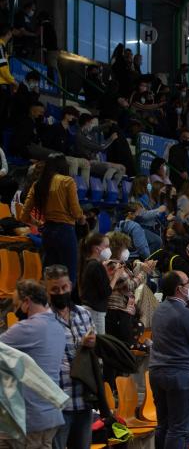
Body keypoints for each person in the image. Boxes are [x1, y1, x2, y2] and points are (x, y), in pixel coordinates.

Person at [149, 271, 189, 449]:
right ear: (179, 289)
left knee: (163, 425)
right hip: (180, 375)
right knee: (179, 429)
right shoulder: (185, 313)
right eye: (188, 282)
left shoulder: (159, 309)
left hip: (157, 372)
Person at [0, 279, 66, 448]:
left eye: (16, 304)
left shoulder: (26, 328)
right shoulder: (58, 328)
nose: (14, 310)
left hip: (30, 418)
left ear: (27, 302)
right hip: (51, 415)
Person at [44, 264, 96, 449]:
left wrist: (92, 344)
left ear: (71, 285)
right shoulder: (43, 319)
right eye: (55, 289)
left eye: (64, 288)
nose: (60, 292)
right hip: (58, 403)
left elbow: (95, 354)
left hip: (84, 397)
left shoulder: (83, 314)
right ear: (47, 290)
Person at [20, 153, 85, 285]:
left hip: (47, 231)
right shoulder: (68, 181)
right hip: (65, 231)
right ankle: (64, 304)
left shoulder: (38, 184)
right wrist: (82, 219)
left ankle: (47, 304)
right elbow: (76, 212)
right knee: (69, 277)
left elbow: (23, 215)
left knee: (49, 276)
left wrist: (37, 223)